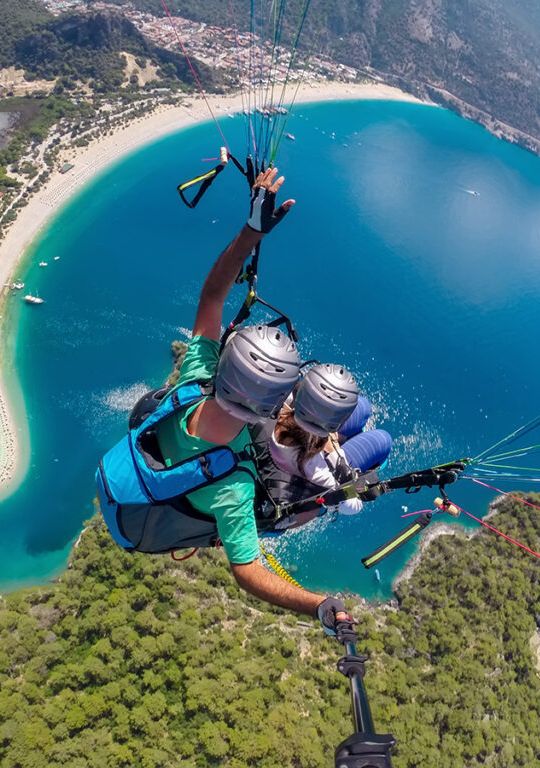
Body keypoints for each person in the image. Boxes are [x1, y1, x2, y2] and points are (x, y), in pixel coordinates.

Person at [152, 165, 351, 638]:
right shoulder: (233, 489)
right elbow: (247, 573)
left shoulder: (195, 380)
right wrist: (315, 605)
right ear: (273, 406)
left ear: (224, 367)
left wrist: (251, 232)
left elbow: (214, 292)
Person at [270, 364, 393, 514]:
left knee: (363, 406)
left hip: (297, 440)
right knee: (383, 439)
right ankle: (343, 438)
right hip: (322, 456)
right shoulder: (315, 469)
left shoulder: (275, 407)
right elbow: (351, 506)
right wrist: (335, 451)